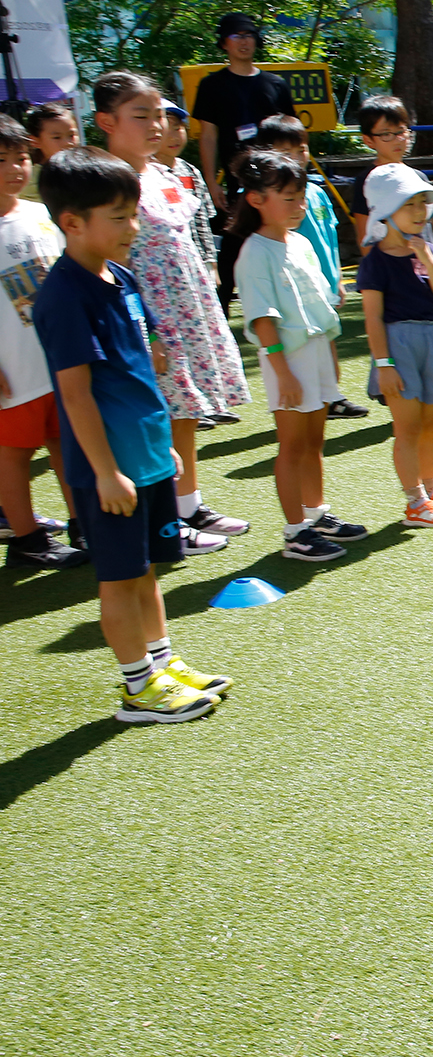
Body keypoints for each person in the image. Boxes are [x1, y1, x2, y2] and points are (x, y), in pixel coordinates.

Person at [34, 147, 233, 723]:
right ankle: (136, 689)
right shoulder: (65, 296)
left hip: (144, 455)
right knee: (120, 580)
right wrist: (105, 472)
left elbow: (138, 367)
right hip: (109, 472)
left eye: (134, 213)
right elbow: (75, 395)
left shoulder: (119, 276)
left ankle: (163, 663)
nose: (134, 227)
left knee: (148, 571)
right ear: (72, 222)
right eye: (118, 216)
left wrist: (158, 441)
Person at [95, 71, 251, 549]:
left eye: (159, 114)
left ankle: (186, 505)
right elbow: (112, 261)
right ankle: (157, 517)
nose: (155, 124)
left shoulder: (167, 173)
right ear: (106, 121)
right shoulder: (106, 182)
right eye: (140, 115)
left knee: (184, 412)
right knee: (152, 415)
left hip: (189, 309)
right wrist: (149, 329)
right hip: (149, 318)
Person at [230, 149, 369, 563]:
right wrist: (282, 371)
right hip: (286, 362)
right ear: (256, 200)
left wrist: (329, 354)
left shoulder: (301, 241)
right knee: (291, 446)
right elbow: (263, 318)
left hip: (314, 354)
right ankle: (295, 533)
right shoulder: (254, 252)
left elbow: (317, 304)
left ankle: (317, 514)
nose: (298, 205)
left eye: (300, 196)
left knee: (314, 441)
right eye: (288, 197)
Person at [356, 163, 433, 529]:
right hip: (398, 345)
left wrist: (427, 259)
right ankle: (414, 502)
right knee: (405, 428)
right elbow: (372, 318)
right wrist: (384, 364)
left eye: (424, 204)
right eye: (411, 205)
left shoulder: (430, 252)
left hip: (432, 338)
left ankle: (432, 490)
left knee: (429, 424)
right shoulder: (374, 262)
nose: (421, 212)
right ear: (387, 213)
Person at [0, 114, 86, 569]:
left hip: (57, 359)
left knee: (64, 443)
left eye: (20, 159)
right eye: (2, 160)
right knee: (13, 455)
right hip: (13, 371)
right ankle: (27, 538)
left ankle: (82, 524)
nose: (16, 169)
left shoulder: (39, 214)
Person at [346, 96, 433, 421]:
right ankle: (403, 393)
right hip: (391, 272)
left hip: (424, 265)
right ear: (368, 139)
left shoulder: (416, 176)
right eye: (387, 134)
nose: (398, 140)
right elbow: (364, 231)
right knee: (396, 331)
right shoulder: (366, 182)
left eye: (403, 131)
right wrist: (383, 270)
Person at [253, 114, 371, 420]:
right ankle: (314, 398)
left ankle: (330, 396)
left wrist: (337, 281)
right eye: (285, 152)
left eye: (301, 150)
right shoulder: (267, 200)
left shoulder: (317, 192)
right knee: (303, 341)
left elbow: (329, 239)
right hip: (291, 290)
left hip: (323, 282)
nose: (296, 158)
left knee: (327, 336)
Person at [190, 13, 294, 309]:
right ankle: (218, 315)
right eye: (236, 35)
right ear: (224, 43)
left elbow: (292, 135)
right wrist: (212, 182)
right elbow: (208, 136)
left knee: (281, 247)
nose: (244, 41)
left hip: (276, 182)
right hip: (237, 184)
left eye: (248, 34)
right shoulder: (212, 85)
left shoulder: (275, 84)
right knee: (231, 252)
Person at [154, 100, 219, 272]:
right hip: (166, 266)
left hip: (199, 261)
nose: (174, 137)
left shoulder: (191, 171)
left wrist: (210, 260)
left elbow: (203, 220)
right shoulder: (146, 175)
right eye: (165, 131)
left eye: (178, 128)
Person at [21, 103, 78, 205]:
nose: (68, 143)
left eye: (72, 135)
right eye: (57, 137)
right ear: (35, 141)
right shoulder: (28, 180)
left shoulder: (85, 170)